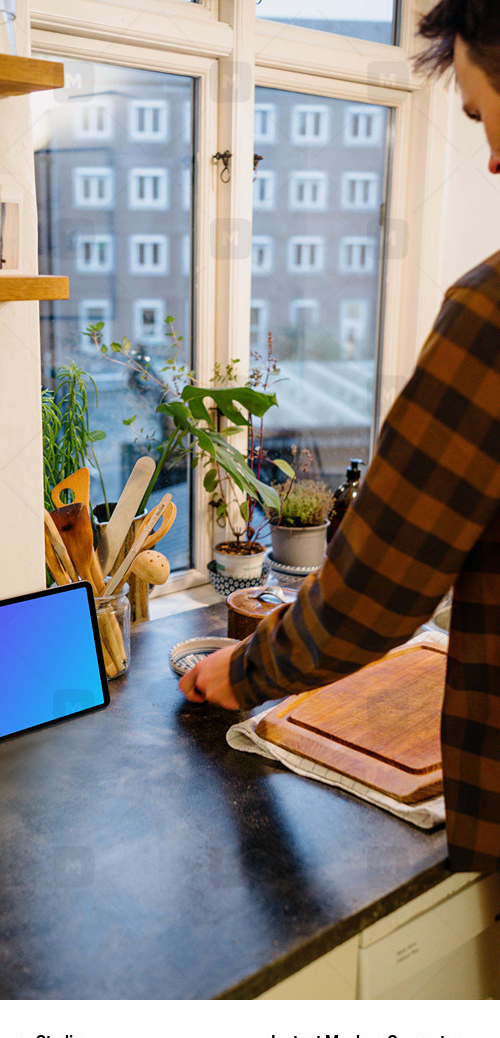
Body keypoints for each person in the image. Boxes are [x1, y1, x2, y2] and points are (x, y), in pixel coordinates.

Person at [179, 0, 500, 873]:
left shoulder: (490, 315)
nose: (494, 159)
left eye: (483, 114)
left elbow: (374, 598)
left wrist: (236, 674)